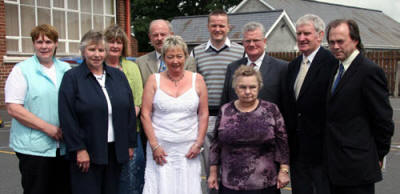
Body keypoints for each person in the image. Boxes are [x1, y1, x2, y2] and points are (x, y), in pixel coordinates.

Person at [58, 30, 137, 194]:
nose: (96, 54)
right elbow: (67, 117)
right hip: (87, 152)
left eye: (101, 50)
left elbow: (128, 111)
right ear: (83, 51)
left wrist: (129, 144)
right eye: (92, 50)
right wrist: (79, 149)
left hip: (115, 151)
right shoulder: (72, 78)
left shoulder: (118, 76)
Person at [325, 19, 394, 194]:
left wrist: (376, 155)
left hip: (358, 166)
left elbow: (383, 120)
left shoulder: (369, 71)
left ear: (355, 40)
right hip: (335, 165)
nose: (335, 46)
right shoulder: (335, 68)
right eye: (331, 42)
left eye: (340, 41)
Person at [5, 24, 71, 194]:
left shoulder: (65, 70)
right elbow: (13, 108)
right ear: (33, 44)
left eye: (48, 42)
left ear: (56, 44)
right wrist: (47, 128)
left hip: (62, 147)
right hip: (33, 148)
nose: (44, 46)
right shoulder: (22, 70)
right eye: (39, 42)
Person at [141, 35, 208, 194]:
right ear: (164, 58)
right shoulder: (153, 80)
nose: (175, 61)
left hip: (189, 150)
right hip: (161, 149)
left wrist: (199, 143)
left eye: (179, 56)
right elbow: (145, 114)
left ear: (186, 57)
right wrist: (154, 145)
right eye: (170, 57)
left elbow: (203, 114)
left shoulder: (197, 80)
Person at [208, 65, 290, 194]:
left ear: (259, 87)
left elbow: (282, 142)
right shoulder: (225, 110)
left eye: (252, 87)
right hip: (230, 184)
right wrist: (213, 173)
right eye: (242, 87)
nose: (247, 91)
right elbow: (215, 144)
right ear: (235, 88)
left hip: (265, 184)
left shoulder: (271, 110)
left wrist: (284, 170)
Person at [285, 14, 336, 194]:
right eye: (298, 34)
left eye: (306, 33)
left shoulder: (332, 64)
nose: (301, 38)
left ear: (320, 35)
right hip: (297, 151)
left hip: (322, 152)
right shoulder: (293, 66)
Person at [191, 10, 244, 184]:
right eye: (214, 25)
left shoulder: (241, 51)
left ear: (228, 27)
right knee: (210, 168)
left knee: (233, 166)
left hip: (234, 117)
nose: (218, 28)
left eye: (222, 25)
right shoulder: (197, 53)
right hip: (208, 116)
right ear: (208, 27)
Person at [104, 24, 145, 194]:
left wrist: (122, 126)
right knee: (108, 178)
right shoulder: (97, 66)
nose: (115, 46)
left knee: (131, 178)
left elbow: (138, 101)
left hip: (129, 132)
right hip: (103, 134)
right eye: (111, 41)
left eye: (119, 42)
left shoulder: (132, 67)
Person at [221, 21, 287, 110]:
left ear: (264, 41)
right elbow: (225, 101)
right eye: (248, 41)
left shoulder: (281, 68)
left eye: (256, 40)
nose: (252, 44)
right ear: (243, 43)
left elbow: (287, 104)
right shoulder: (232, 67)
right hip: (237, 122)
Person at [136, 19, 196, 85]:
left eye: (163, 34)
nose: (159, 38)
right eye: (155, 35)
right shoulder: (140, 63)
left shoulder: (189, 61)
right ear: (150, 37)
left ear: (171, 35)